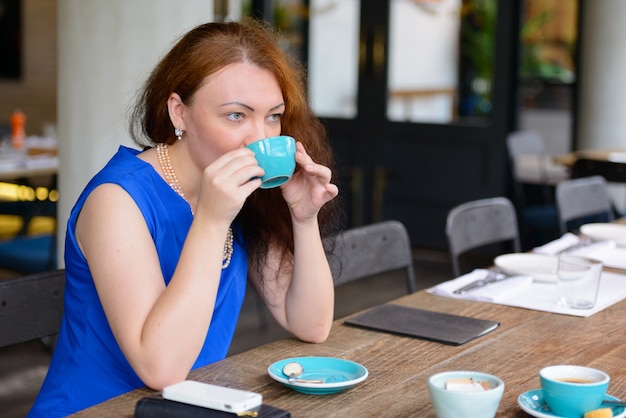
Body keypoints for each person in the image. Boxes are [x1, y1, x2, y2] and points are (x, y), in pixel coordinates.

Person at [28, 19, 341, 417]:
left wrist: (303, 216)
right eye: (235, 116)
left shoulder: (241, 192)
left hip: (186, 408)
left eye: (273, 116)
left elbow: (311, 325)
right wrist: (211, 220)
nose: (260, 138)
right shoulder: (117, 200)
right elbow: (162, 368)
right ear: (179, 112)